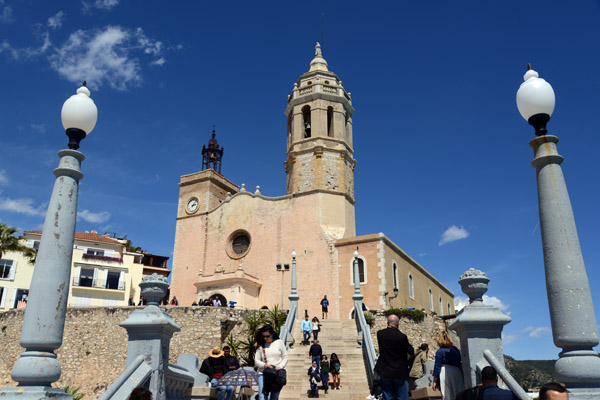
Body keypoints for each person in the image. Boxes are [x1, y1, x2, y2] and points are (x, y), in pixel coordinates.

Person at [374, 314, 414, 400]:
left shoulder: (380, 334)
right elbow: (411, 351)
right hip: (400, 372)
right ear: (397, 323)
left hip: (385, 370)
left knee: (387, 396)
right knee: (402, 397)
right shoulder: (401, 337)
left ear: (387, 322)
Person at [255, 325, 288, 400]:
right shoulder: (261, 346)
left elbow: (285, 357)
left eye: (267, 336)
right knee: (262, 397)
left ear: (272, 334)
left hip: (277, 373)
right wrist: (264, 365)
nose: (265, 338)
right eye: (264, 336)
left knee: (274, 397)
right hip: (263, 373)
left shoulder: (279, 342)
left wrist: (280, 366)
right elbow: (256, 361)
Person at [432, 331, 464, 400]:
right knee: (459, 393)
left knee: (447, 395)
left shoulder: (440, 351)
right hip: (457, 371)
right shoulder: (455, 349)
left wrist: (434, 381)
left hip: (446, 372)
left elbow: (437, 367)